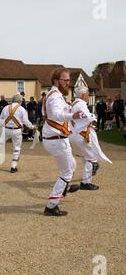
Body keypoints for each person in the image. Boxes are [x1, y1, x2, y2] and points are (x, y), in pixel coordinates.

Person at [42, 68, 83, 217]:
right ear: (56, 81)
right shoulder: (54, 97)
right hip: (56, 140)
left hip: (55, 138)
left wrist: (69, 109)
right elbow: (55, 114)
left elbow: (57, 112)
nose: (68, 83)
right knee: (66, 172)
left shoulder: (55, 95)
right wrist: (73, 114)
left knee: (71, 165)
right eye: (65, 80)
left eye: (68, 80)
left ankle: (63, 187)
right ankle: (51, 206)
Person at [69, 87, 111, 191]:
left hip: (73, 135)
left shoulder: (73, 104)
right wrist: (93, 118)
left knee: (85, 155)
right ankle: (86, 182)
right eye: (88, 94)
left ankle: (87, 173)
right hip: (80, 135)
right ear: (83, 95)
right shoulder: (81, 104)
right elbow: (87, 117)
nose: (89, 95)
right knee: (91, 158)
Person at [0, 94, 36, 173]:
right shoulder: (22, 109)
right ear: (20, 101)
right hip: (17, 131)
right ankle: (13, 166)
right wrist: (32, 127)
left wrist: (0, 126)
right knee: (16, 148)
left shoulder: (6, 107)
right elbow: (25, 121)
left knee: (1, 142)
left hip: (6, 129)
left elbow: (0, 118)